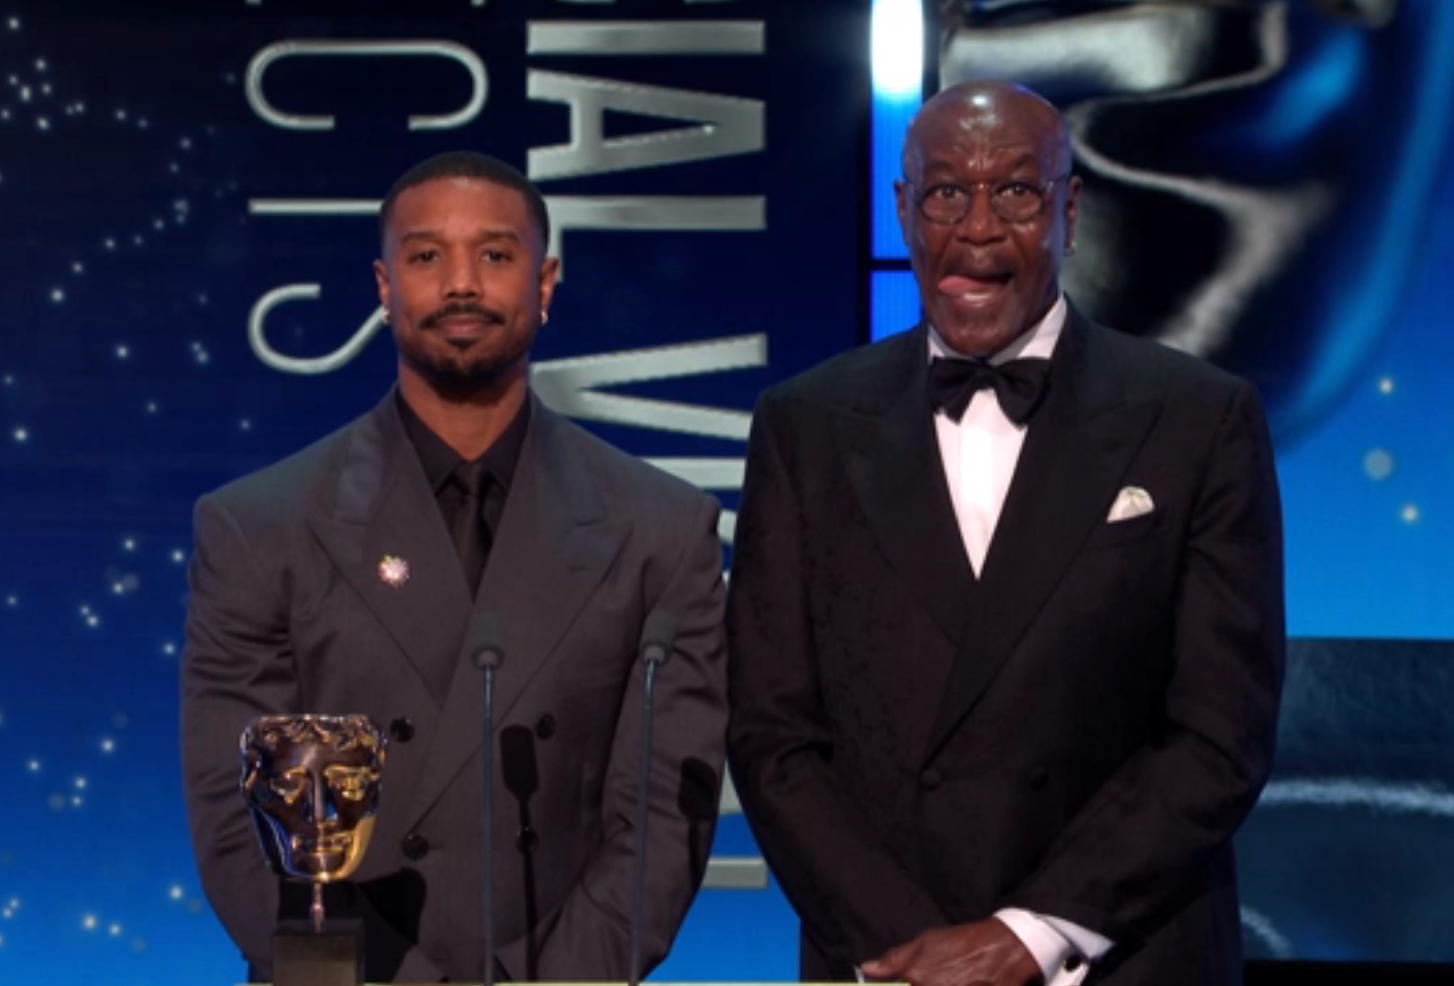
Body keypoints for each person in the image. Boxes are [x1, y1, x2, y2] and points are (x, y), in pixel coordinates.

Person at [727, 82, 1284, 986]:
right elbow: (772, 737)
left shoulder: (1198, 420)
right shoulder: (805, 426)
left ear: (1069, 209)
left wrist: (1031, 933)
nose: (978, 228)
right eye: (947, 192)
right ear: (904, 210)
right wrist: (916, 953)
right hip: (888, 963)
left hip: (1123, 954)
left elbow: (1221, 735)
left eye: (1017, 192)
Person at [181, 151, 728, 984]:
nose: (461, 284)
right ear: (384, 286)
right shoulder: (259, 529)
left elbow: (662, 821)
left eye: (495, 255)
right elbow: (237, 822)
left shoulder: (663, 530)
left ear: (544, 284)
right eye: (427, 255)